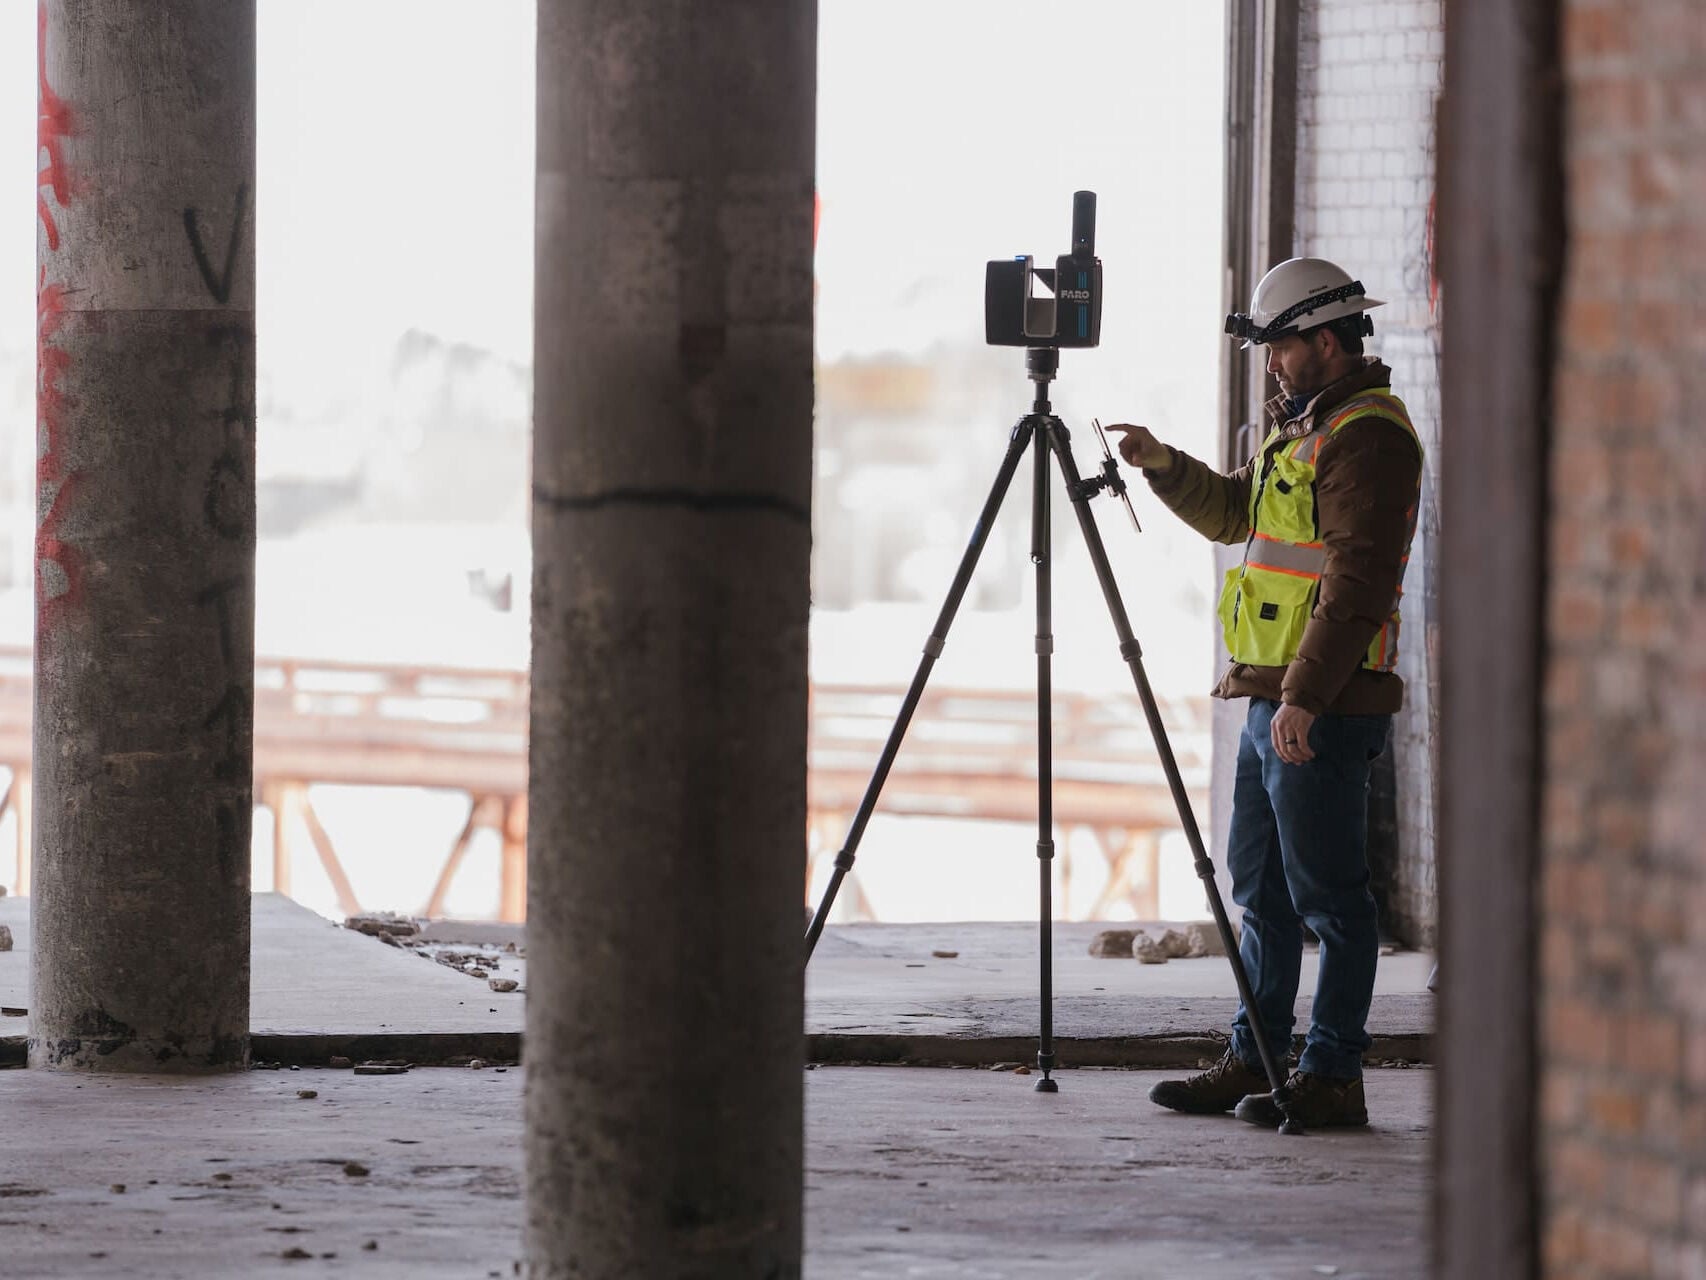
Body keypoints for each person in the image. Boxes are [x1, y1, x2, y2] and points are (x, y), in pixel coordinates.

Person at [1104, 257, 1423, 1129]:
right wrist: (1163, 464)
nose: (1273, 363)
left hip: (1321, 706)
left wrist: (1306, 699)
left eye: (1282, 347)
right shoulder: (1305, 427)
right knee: (1263, 894)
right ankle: (1258, 1056)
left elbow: (1358, 581)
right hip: (1271, 696)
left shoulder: (1368, 437)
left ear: (1327, 341)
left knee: (1332, 901)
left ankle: (1333, 1076)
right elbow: (1236, 514)